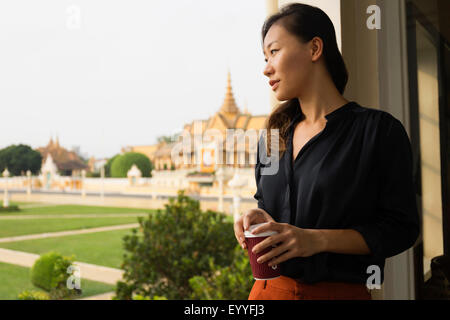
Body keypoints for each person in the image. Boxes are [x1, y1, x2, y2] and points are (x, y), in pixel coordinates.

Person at [233, 3, 420, 300]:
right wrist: (257, 216)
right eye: (265, 56)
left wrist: (316, 240)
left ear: (315, 48)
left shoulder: (377, 131)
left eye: (275, 51)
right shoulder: (271, 137)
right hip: (268, 292)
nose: (266, 67)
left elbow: (401, 229)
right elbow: (266, 203)